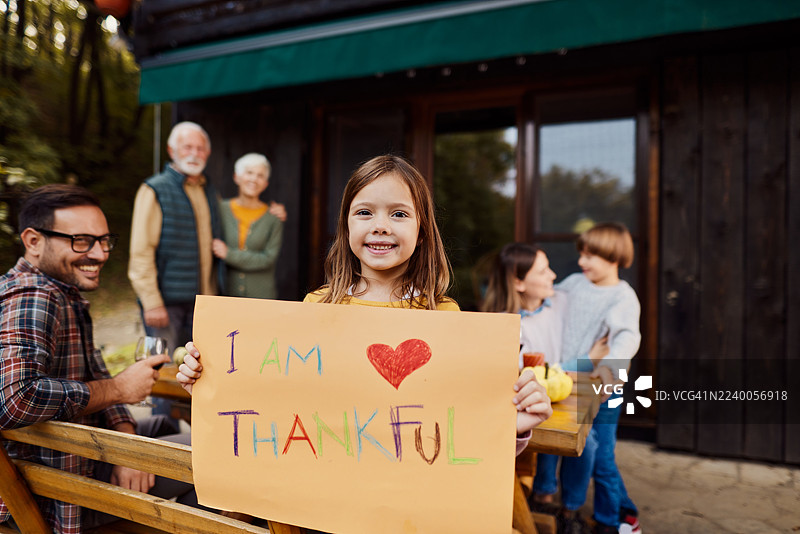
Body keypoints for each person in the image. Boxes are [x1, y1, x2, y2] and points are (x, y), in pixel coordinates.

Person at [177, 155, 553, 455]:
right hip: (322, 500)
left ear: (422, 232)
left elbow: (456, 430)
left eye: (400, 214)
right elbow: (279, 408)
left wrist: (514, 427)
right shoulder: (317, 306)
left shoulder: (443, 316)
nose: (381, 225)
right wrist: (213, 388)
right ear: (346, 227)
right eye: (364, 212)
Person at [0, 184, 193, 534]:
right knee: (217, 455)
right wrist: (119, 389)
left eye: (104, 241)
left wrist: (128, 448)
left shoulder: (63, 293)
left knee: (163, 427)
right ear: (33, 241)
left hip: (79, 453)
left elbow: (94, 373)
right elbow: (13, 399)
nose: (100, 253)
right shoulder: (35, 298)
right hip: (54, 494)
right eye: (82, 241)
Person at [533, 223, 642, 534]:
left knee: (603, 457)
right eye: (582, 253)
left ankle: (612, 520)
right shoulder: (576, 283)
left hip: (604, 387)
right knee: (571, 445)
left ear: (614, 257)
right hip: (569, 382)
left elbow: (625, 339)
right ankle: (561, 505)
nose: (582, 260)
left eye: (591, 255)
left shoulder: (623, 298)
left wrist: (610, 370)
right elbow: (550, 304)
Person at [213, 153, 284, 299]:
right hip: (225, 296)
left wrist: (229, 254)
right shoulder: (220, 209)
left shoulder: (273, 217)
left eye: (260, 175)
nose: (254, 179)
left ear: (265, 184)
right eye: (249, 173)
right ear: (236, 177)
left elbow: (268, 259)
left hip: (261, 298)